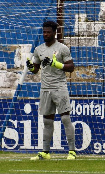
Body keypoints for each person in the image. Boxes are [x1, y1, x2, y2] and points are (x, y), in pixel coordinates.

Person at [26, 21, 76, 160]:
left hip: (59, 87)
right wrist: (30, 67)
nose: (45, 34)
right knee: (47, 121)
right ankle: (45, 153)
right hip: (45, 89)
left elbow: (71, 67)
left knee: (65, 118)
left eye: (48, 32)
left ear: (54, 32)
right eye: (44, 32)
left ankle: (72, 152)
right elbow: (36, 69)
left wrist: (56, 64)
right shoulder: (39, 49)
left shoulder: (62, 48)